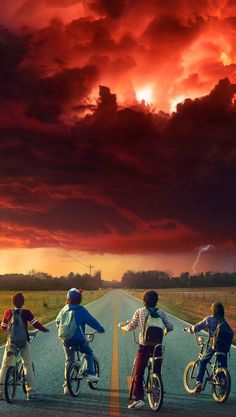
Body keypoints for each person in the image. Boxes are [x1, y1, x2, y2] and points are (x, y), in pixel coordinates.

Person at [118, 290, 174, 409]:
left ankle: (138, 399)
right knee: (156, 370)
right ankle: (157, 392)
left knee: (138, 372)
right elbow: (171, 326)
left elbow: (132, 326)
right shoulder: (161, 313)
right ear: (156, 301)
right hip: (158, 346)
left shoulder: (139, 311)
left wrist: (122, 326)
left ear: (144, 301)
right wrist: (165, 331)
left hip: (144, 345)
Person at [0, 292, 49, 401]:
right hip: (23, 342)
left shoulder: (8, 312)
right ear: (23, 302)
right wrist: (44, 329)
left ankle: (0, 392)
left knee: (5, 365)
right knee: (27, 365)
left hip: (11, 342)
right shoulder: (26, 312)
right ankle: (31, 393)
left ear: (12, 302)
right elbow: (35, 324)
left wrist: (10, 331)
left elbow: (3, 327)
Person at [56, 288, 105, 395]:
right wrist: (100, 329)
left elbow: (57, 322)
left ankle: (66, 386)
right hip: (78, 339)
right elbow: (92, 321)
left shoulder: (64, 309)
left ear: (68, 299)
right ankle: (91, 374)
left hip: (65, 339)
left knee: (69, 360)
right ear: (79, 299)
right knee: (88, 352)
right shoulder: (81, 310)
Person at [185, 301, 230, 394]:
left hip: (213, 345)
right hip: (224, 346)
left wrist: (189, 329)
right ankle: (223, 390)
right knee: (222, 366)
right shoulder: (224, 321)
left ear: (213, 310)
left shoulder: (209, 319)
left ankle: (199, 382)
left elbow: (197, 327)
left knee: (202, 361)